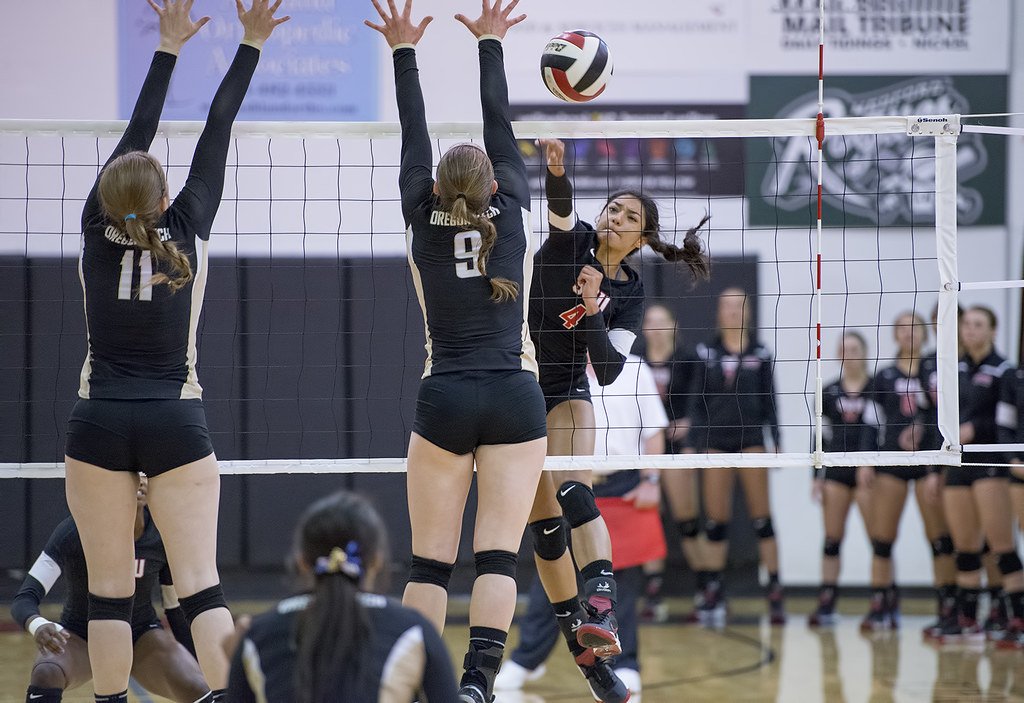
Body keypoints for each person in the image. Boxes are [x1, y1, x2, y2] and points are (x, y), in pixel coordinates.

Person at [64, 3, 286, 701]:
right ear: (164, 197)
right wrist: (249, 42)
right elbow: (217, 126)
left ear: (109, 194)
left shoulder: (94, 230)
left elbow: (136, 133)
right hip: (174, 420)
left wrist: (165, 47)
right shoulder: (188, 225)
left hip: (97, 419)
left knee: (106, 594)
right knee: (200, 586)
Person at [364, 2, 547, 701]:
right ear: (496, 187)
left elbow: (414, 135)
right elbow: (500, 123)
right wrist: (492, 45)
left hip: (444, 395)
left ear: (437, 191)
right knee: (498, 554)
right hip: (514, 396)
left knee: (430, 565)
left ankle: (418, 686)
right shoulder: (518, 213)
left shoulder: (421, 215)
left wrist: (405, 53)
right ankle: (477, 684)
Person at [524, 134, 707, 685]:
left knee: (575, 488)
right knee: (545, 529)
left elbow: (606, 368)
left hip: (568, 387)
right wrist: (556, 170)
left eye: (628, 216)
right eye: (612, 208)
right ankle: (585, 659)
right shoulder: (575, 240)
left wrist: (589, 308)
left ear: (642, 237)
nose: (614, 218)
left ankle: (601, 602)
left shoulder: (629, 289)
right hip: (520, 378)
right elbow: (561, 210)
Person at [496, 355, 669, 699]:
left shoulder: (634, 368)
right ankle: (527, 658)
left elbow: (654, 430)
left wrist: (652, 479)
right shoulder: (553, 363)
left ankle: (626, 664)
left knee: (622, 582)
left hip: (620, 486)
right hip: (566, 484)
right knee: (553, 572)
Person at [226, 491, 457, 702]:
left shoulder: (257, 635)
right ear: (376, 561)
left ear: (302, 562)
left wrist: (239, 659)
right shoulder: (413, 630)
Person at [10, 477, 207, 703]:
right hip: (82, 636)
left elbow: (174, 609)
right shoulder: (75, 530)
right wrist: (38, 625)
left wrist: (197, 665)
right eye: (130, 474)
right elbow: (24, 598)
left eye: (144, 475)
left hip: (141, 637)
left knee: (197, 686)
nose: (138, 481)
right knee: (46, 673)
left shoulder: (163, 534)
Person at [687, 287, 784, 625]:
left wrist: (777, 437)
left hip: (752, 439)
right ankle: (714, 593)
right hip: (715, 440)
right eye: (726, 305)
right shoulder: (706, 351)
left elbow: (771, 398)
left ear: (748, 311)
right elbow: (695, 402)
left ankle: (774, 593)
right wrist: (692, 441)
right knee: (715, 522)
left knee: (763, 520)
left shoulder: (761, 352)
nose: (732, 311)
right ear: (719, 312)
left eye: (738, 305)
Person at [858, 312, 953, 632]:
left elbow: (944, 415)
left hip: (929, 462)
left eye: (915, 327)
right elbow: (871, 423)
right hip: (893, 462)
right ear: (895, 335)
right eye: (902, 328)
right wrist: (866, 460)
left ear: (925, 333)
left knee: (939, 540)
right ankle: (880, 605)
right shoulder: (882, 377)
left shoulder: (935, 370)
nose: (909, 333)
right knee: (882, 539)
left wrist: (935, 463)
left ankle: (947, 607)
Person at [936, 306, 1024, 645]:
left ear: (992, 331)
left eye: (977, 325)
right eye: (966, 325)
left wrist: (975, 428)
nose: (969, 330)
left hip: (990, 461)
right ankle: (967, 618)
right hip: (958, 464)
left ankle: (1016, 616)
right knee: (965, 547)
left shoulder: (1004, 370)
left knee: (1001, 545)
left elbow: (1005, 421)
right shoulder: (953, 368)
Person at [638, 304, 705, 622]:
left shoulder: (689, 359)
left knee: (686, 520)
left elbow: (696, 404)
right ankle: (653, 593)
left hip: (678, 447)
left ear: (673, 326)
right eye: (650, 321)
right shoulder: (634, 362)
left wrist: (688, 436)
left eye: (662, 321)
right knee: (650, 517)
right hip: (645, 447)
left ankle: (707, 589)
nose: (656, 327)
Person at [807, 332, 877, 626]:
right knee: (832, 540)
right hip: (836, 471)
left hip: (868, 473)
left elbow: (876, 431)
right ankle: (827, 601)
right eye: (844, 349)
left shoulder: (877, 388)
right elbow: (820, 436)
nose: (849, 354)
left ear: (864, 352)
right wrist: (816, 475)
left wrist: (867, 462)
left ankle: (884, 599)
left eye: (855, 348)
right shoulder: (829, 391)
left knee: (879, 541)